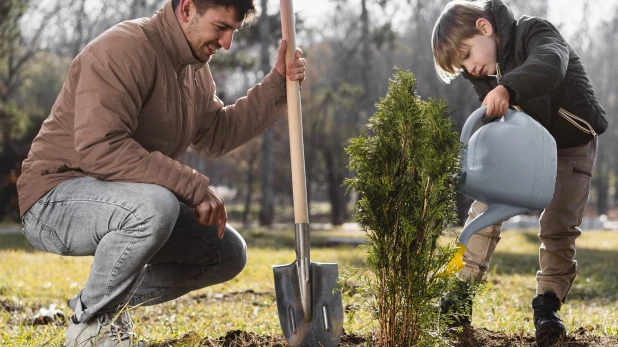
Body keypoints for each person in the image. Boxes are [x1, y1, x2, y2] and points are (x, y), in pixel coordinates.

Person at [16, 0, 306, 345]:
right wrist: (192, 187)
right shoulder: (124, 48)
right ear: (186, 9)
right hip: (53, 199)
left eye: (234, 31)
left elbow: (215, 135)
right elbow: (100, 148)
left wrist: (276, 85)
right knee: (157, 205)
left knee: (224, 252)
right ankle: (90, 327)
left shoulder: (194, 67)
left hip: (121, 197)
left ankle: (96, 304)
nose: (227, 43)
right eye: (220, 28)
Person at [431, 0, 608, 345]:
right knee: (485, 209)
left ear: (485, 27)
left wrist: (508, 88)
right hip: (527, 146)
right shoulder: (482, 71)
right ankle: (460, 293)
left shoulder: (534, 32)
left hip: (572, 142)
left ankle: (548, 306)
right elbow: (497, 119)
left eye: (468, 55)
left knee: (559, 225)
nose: (470, 68)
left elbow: (551, 63)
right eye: (462, 65)